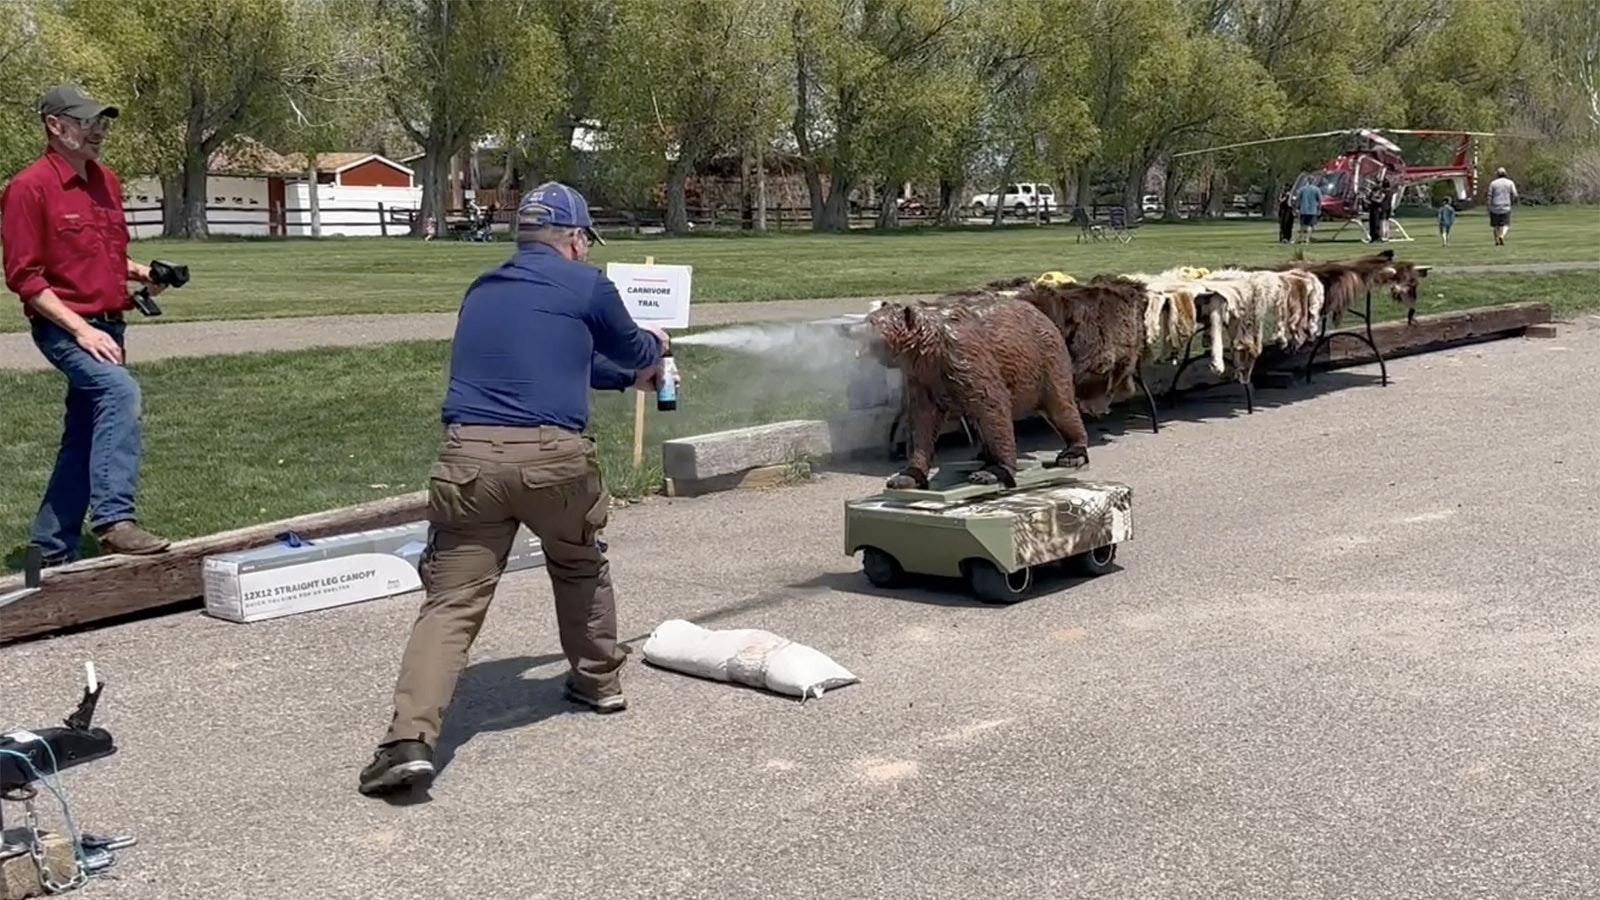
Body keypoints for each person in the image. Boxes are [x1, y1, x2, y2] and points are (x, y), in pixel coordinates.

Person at [359, 181, 671, 798]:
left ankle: (409, 740)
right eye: (586, 241)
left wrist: (618, 381)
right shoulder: (588, 283)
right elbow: (631, 347)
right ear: (577, 239)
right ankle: (597, 681)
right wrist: (654, 350)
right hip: (554, 462)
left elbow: (553, 356)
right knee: (579, 564)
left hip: (469, 461)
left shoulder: (484, 289)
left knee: (451, 603)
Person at [0, 84, 173, 566]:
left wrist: (144, 274)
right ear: (55, 126)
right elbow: (25, 278)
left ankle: (48, 551)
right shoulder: (27, 188)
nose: (99, 131)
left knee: (83, 437)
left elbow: (105, 255)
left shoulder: (106, 181)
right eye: (86, 121)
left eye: (103, 122)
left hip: (110, 325)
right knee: (119, 394)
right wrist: (80, 330)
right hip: (65, 329)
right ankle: (114, 521)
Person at [1486, 166, 1518, 245]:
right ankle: (1502, 236)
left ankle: (1496, 239)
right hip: (1506, 206)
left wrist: (1488, 206)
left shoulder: (1493, 183)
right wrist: (1513, 202)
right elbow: (1515, 194)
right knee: (1506, 224)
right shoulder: (1510, 183)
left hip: (1495, 206)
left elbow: (1489, 195)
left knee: (1496, 225)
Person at [1294, 178, 1323, 243]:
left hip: (1303, 209)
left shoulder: (1302, 189)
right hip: (1313, 210)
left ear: (1307, 181)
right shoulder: (1316, 189)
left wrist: (1297, 208)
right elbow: (1320, 200)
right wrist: (1319, 209)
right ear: (1313, 181)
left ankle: (1302, 238)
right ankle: (1307, 239)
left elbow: (1298, 199)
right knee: (1310, 225)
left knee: (1303, 225)